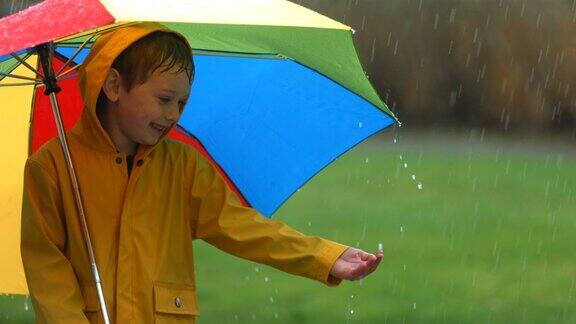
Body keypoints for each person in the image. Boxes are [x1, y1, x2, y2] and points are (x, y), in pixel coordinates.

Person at [21, 22, 383, 323]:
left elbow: (246, 228)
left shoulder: (182, 168)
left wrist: (323, 256)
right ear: (114, 86)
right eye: (164, 99)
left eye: (182, 103)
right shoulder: (52, 168)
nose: (174, 115)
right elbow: (47, 271)